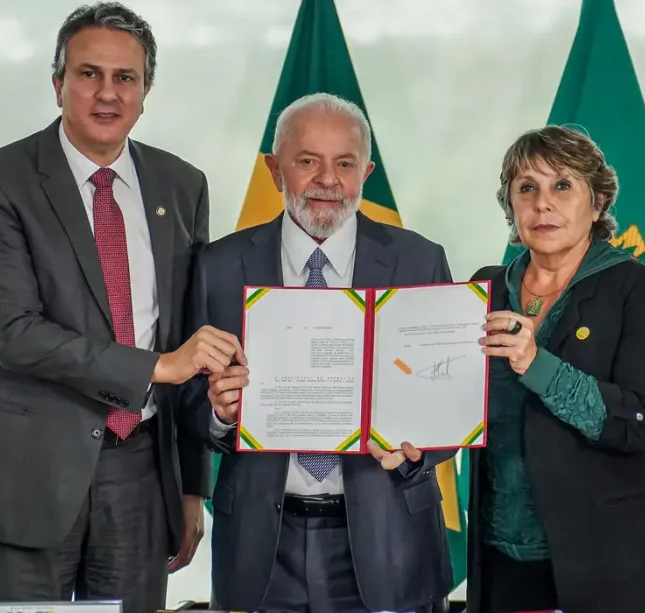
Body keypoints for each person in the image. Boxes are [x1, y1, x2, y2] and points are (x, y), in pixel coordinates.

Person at [0, 4, 246, 613]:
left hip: (140, 474)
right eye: (89, 74)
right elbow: (16, 334)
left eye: (125, 77)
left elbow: (190, 338)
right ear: (58, 84)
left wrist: (190, 486)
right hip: (24, 472)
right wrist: (157, 367)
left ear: (145, 92)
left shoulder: (182, 185)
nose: (108, 93)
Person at [179, 92, 457, 613]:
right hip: (262, 546)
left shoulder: (419, 262)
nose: (328, 180)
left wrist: (420, 447)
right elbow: (187, 403)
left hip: (391, 539)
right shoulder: (219, 266)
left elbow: (449, 405)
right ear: (274, 169)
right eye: (308, 161)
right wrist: (219, 413)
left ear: (366, 173)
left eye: (345, 164)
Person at [467, 125, 645, 613]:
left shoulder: (644, 289)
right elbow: (455, 405)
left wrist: (536, 364)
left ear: (598, 202)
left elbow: (642, 422)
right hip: (502, 558)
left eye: (563, 185)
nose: (543, 203)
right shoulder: (484, 289)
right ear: (510, 204)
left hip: (613, 561)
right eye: (527, 188)